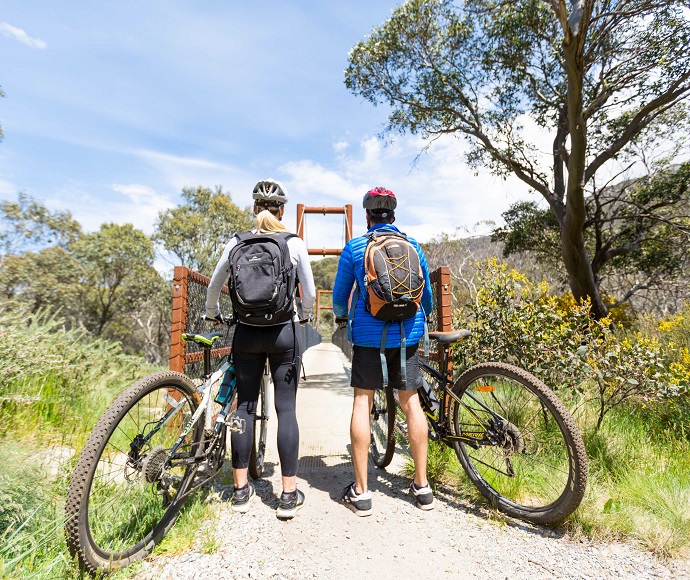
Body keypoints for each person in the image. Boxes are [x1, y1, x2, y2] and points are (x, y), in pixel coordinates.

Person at [205, 178, 316, 519]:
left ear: (254, 209)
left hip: (247, 334)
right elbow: (309, 293)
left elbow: (214, 284)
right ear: (282, 211)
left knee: (244, 408)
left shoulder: (236, 242)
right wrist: (305, 315)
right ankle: (287, 494)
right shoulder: (293, 243)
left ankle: (240, 491)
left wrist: (212, 313)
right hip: (284, 332)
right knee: (286, 410)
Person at [332, 186, 434, 516]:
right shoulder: (413, 245)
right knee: (411, 402)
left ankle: (361, 493)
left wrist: (342, 316)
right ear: (393, 214)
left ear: (366, 215)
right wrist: (423, 318)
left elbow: (339, 295)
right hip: (407, 334)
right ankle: (422, 487)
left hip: (367, 337)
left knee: (363, 400)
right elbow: (427, 295)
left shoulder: (355, 247)